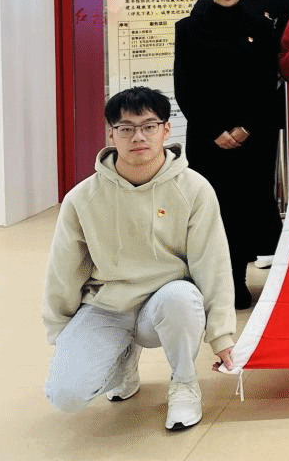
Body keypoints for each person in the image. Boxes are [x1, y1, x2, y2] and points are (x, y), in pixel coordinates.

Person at [43, 87, 235, 432]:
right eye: (126, 128)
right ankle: (123, 361)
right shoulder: (82, 198)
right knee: (65, 396)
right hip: (107, 306)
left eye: (149, 126)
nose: (138, 137)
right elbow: (64, 270)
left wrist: (221, 335)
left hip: (165, 303)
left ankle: (184, 383)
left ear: (166, 129)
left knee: (182, 297)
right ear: (111, 134)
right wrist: (62, 332)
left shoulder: (194, 189)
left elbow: (213, 264)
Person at [174, 0, 281, 310]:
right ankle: (210, 281)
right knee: (210, 210)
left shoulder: (260, 27)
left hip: (251, 137)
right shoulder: (187, 28)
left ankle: (236, 280)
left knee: (244, 210)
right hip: (207, 138)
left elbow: (267, 85)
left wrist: (245, 128)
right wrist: (215, 130)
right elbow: (185, 87)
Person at [222, 0, 289, 270]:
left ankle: (268, 243)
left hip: (265, 104)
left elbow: (288, 51)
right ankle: (233, 249)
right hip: (223, 106)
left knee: (261, 180)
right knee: (228, 184)